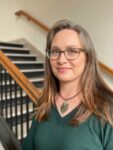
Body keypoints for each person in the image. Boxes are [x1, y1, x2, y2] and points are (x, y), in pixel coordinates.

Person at [23, 19, 113, 150]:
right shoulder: (44, 104)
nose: (61, 59)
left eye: (72, 51)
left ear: (88, 57)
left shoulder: (107, 109)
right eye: (55, 51)